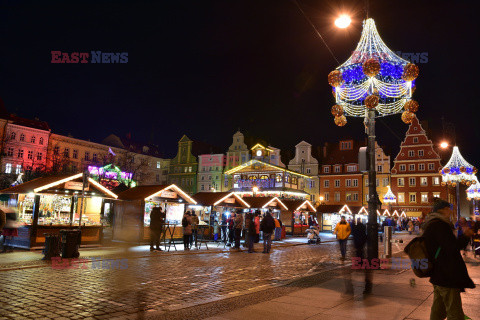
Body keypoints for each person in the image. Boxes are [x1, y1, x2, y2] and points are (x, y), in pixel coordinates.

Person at [422, 199, 475, 319]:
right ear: (443, 210)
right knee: (454, 312)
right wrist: (466, 235)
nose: (450, 212)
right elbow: (452, 247)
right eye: (448, 209)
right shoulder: (439, 225)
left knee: (438, 311)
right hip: (446, 273)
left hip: (438, 273)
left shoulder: (431, 224)